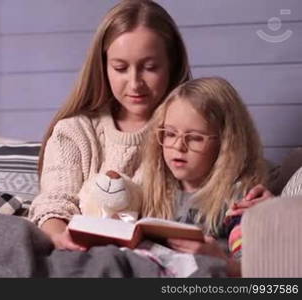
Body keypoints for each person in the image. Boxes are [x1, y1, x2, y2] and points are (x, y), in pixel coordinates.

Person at [28, 0, 271, 251]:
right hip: (77, 254)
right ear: (103, 67)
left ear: (172, 64)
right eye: (120, 68)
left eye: (150, 67)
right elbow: (54, 201)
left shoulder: (187, 132)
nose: (135, 84)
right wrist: (59, 237)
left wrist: (268, 208)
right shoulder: (74, 132)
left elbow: (234, 170)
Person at [138, 77, 267, 276]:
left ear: (226, 144)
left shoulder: (238, 201)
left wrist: (220, 259)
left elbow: (254, 272)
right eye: (170, 134)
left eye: (196, 138)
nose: (178, 147)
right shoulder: (154, 189)